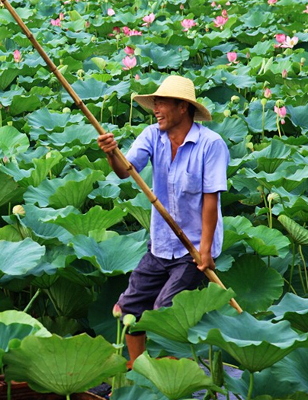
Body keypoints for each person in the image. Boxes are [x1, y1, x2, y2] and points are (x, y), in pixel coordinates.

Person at [97, 75, 229, 368]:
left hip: (192, 248)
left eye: (161, 103)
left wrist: (205, 251)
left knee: (164, 311)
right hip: (161, 242)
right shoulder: (151, 136)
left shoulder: (211, 144)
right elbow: (125, 170)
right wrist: (110, 154)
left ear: (183, 107)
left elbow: (211, 201)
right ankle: (139, 366)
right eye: (154, 103)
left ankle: (176, 369)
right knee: (129, 307)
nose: (155, 108)